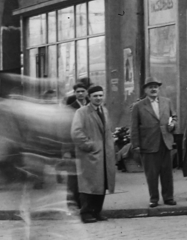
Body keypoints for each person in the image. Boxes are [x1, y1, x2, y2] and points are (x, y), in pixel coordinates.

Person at [70, 85, 117, 224]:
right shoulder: (81, 112)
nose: (98, 98)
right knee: (89, 185)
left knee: (102, 184)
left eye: (100, 95)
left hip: (104, 155)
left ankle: (97, 211)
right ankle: (85, 213)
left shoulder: (105, 111)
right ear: (89, 97)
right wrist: (90, 145)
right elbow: (76, 132)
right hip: (89, 155)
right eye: (95, 96)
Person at [128, 79, 177, 208]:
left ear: (159, 89)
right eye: (150, 87)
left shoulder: (167, 102)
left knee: (167, 172)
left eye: (155, 87)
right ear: (145, 90)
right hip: (148, 143)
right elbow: (134, 127)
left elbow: (174, 117)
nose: (153, 89)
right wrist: (136, 144)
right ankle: (153, 199)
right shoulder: (138, 106)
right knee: (152, 173)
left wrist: (173, 124)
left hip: (165, 142)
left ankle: (168, 197)